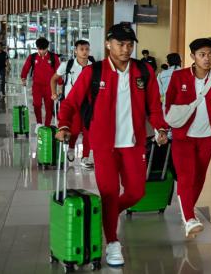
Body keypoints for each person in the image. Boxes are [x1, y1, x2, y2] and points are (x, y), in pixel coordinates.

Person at [55, 24, 168, 267]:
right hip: (104, 145)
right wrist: (63, 126)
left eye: (130, 44)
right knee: (109, 193)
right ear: (108, 44)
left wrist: (160, 128)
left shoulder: (144, 71)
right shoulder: (94, 72)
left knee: (137, 192)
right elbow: (70, 102)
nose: (126, 49)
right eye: (120, 44)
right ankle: (113, 243)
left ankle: (106, 213)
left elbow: (155, 108)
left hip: (133, 143)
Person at [165, 37, 211, 238]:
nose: (207, 59)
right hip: (183, 136)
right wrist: (163, 129)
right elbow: (168, 103)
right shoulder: (179, 76)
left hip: (208, 136)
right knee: (186, 176)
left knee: (199, 176)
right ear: (193, 56)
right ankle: (189, 217)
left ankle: (188, 209)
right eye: (202, 54)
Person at [50, 40, 94, 168]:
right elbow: (53, 79)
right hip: (71, 103)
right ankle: (70, 148)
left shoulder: (93, 66)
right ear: (75, 50)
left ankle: (85, 157)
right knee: (73, 129)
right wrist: (54, 93)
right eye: (81, 49)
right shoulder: (67, 65)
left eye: (87, 49)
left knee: (88, 131)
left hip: (88, 104)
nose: (85, 52)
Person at [21, 37, 60, 133]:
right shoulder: (32, 57)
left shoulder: (53, 57)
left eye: (44, 49)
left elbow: (58, 71)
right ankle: (39, 123)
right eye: (40, 49)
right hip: (37, 86)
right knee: (37, 104)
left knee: (49, 106)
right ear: (37, 48)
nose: (42, 51)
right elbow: (26, 68)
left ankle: (46, 126)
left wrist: (60, 84)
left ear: (47, 47)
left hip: (50, 86)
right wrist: (23, 78)